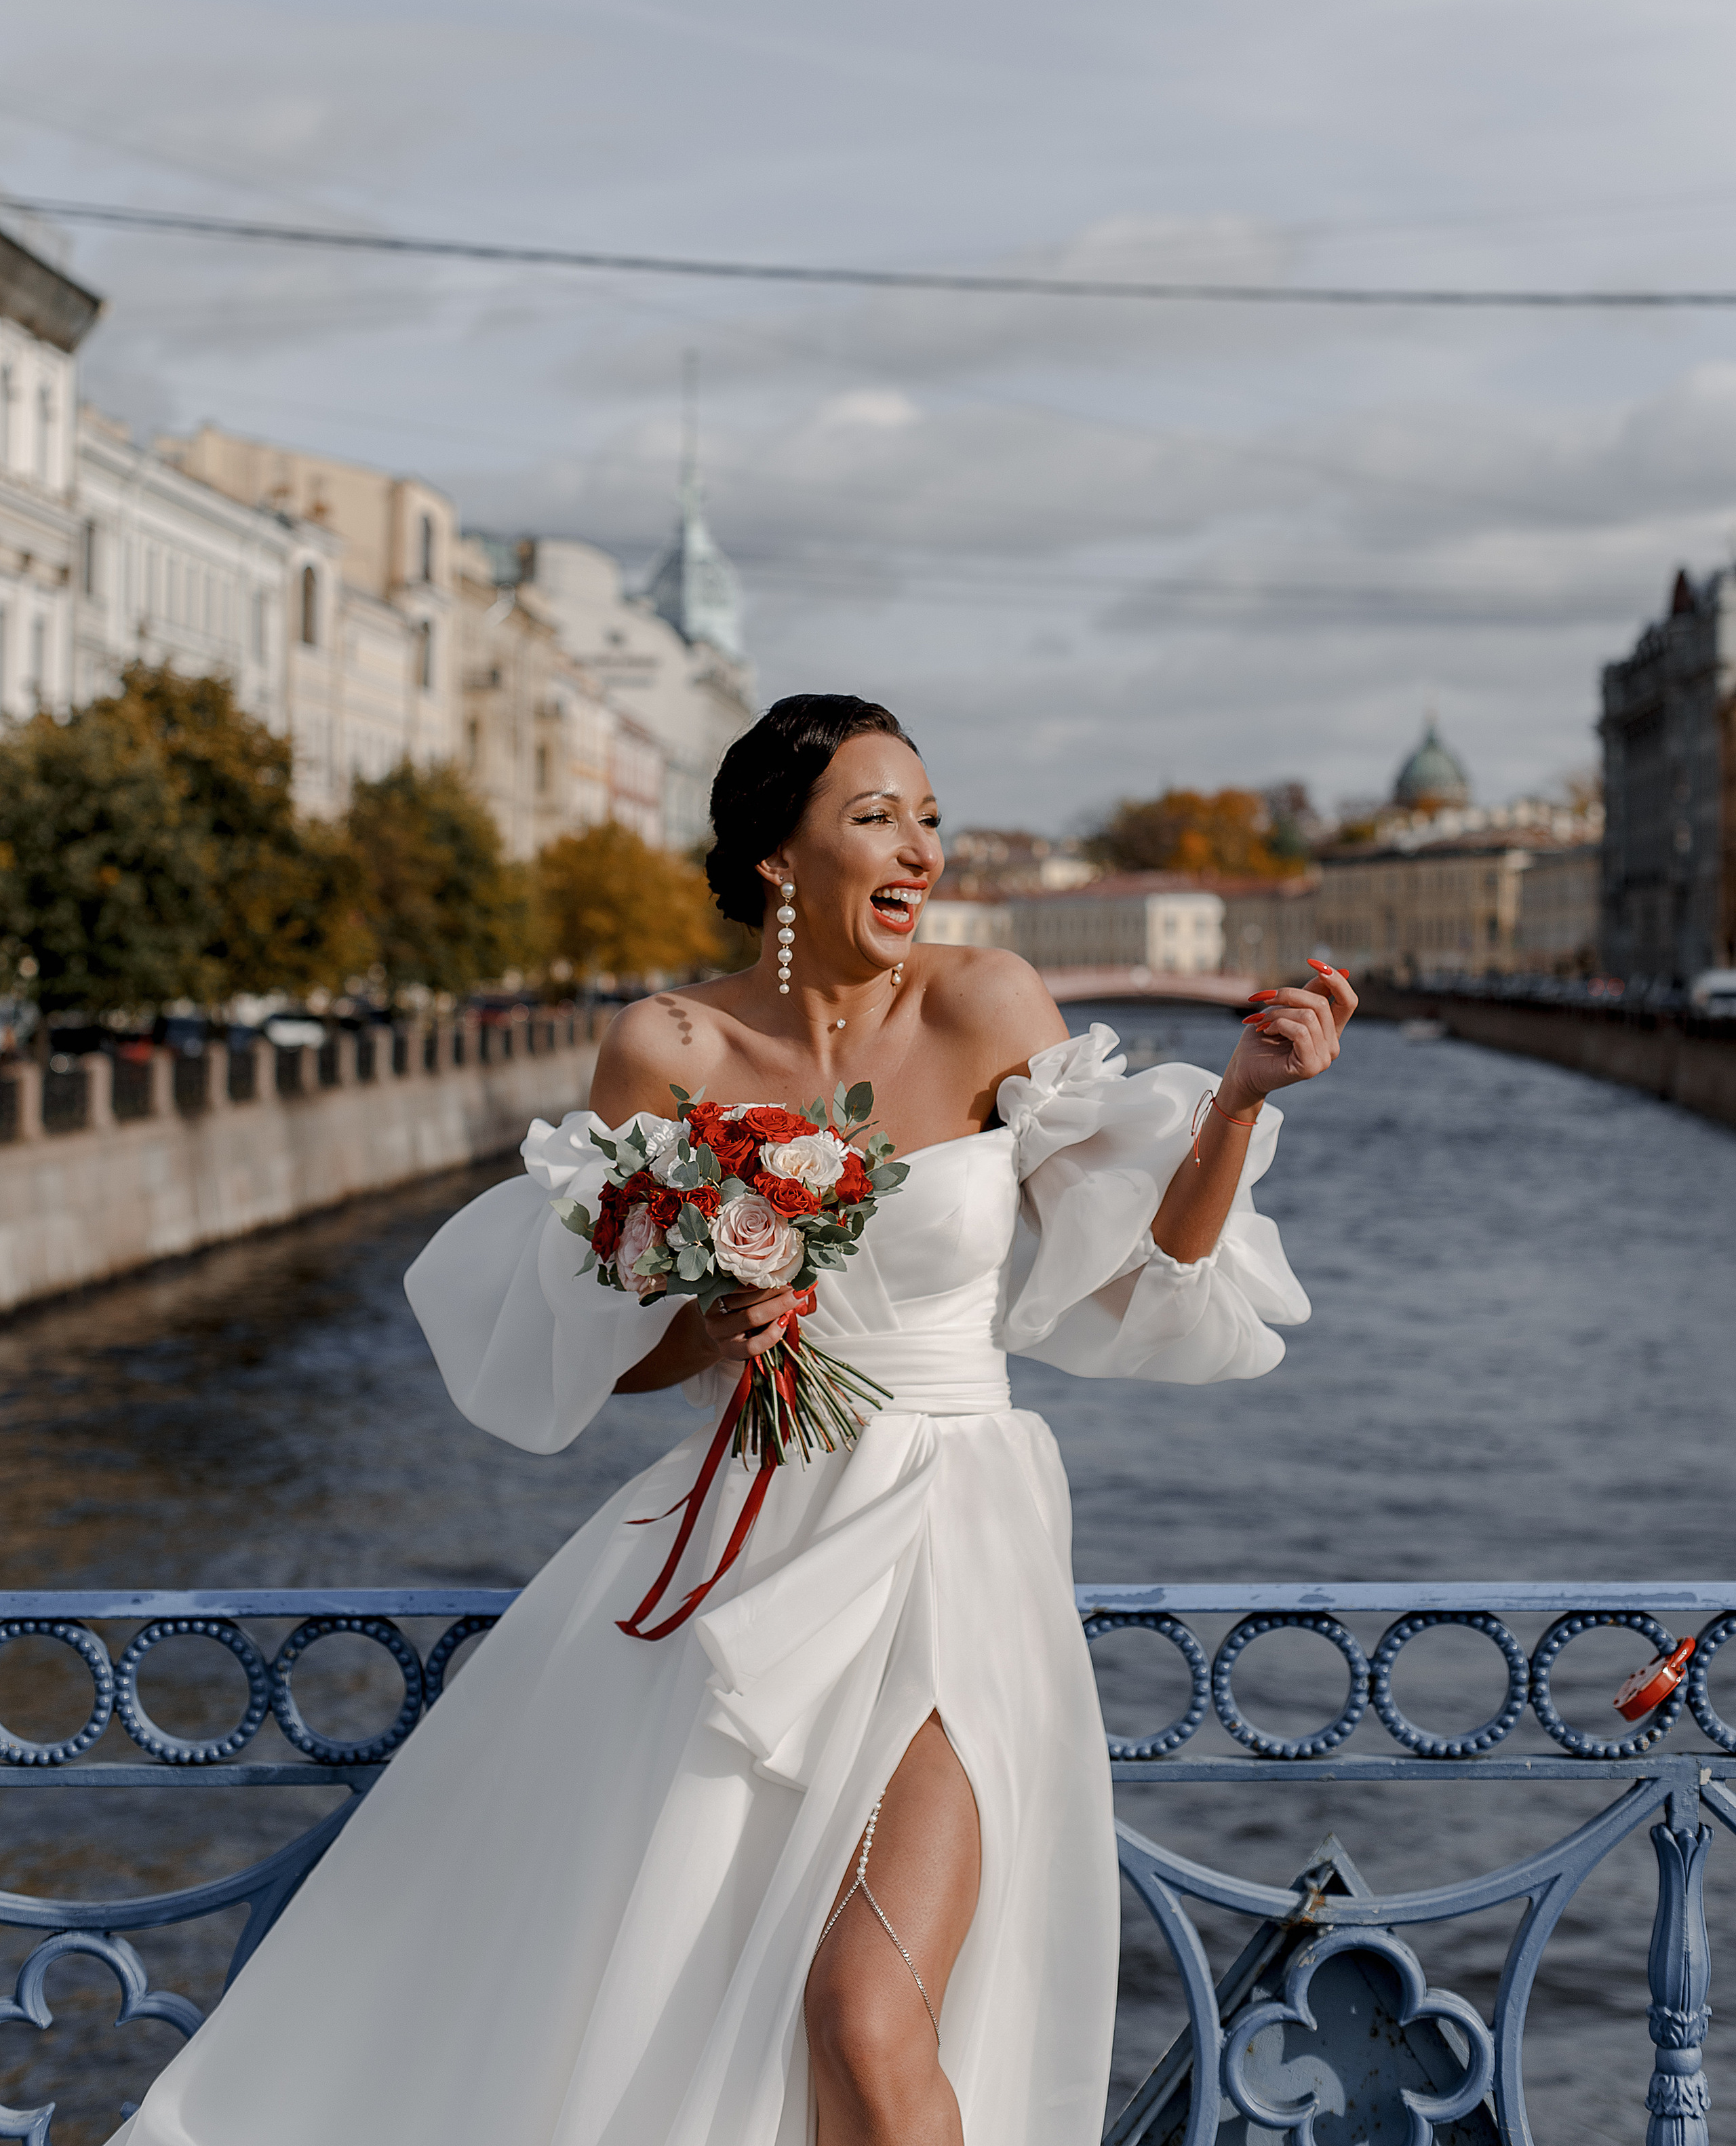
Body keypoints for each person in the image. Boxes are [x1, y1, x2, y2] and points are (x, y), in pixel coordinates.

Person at [115, 694, 1352, 2146]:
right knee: (671, 2010)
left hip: (956, 1536)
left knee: (862, 2018)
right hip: (740, 1550)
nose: (917, 850)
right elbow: (607, 1353)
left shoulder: (986, 1002)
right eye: (873, 817)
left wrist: (1235, 1110)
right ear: (777, 854)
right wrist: (706, 1324)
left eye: (929, 817)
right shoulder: (670, 1049)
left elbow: (1146, 1281)